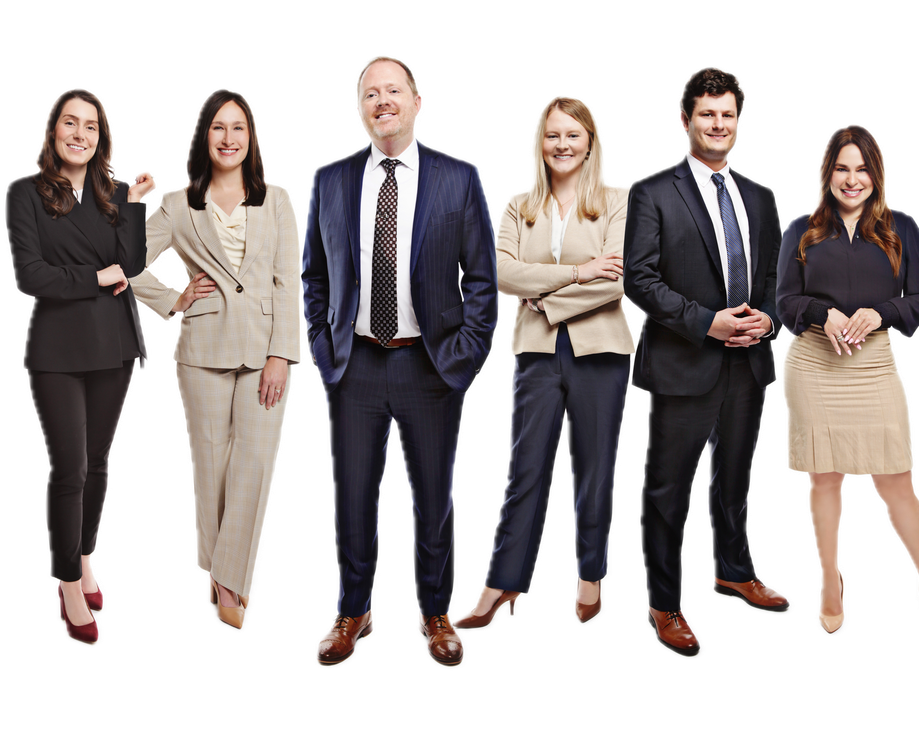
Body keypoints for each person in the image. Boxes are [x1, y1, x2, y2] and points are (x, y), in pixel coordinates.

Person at [302, 56, 497, 668]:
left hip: (430, 366)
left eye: (393, 91)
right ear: (359, 108)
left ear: (418, 102)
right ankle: (353, 609)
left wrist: (461, 360)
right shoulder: (329, 180)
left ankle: (436, 612)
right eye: (369, 93)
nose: (381, 101)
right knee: (353, 494)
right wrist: (323, 347)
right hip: (353, 366)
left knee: (434, 497)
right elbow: (314, 277)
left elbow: (483, 284)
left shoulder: (458, 178)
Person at [623, 66, 790, 659]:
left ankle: (733, 571)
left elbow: (777, 275)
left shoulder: (760, 196)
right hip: (683, 362)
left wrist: (769, 318)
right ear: (686, 120)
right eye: (707, 114)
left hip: (749, 363)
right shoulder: (653, 192)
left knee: (736, 477)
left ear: (738, 122)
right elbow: (640, 280)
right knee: (668, 490)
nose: (718, 125)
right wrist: (706, 322)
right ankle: (665, 603)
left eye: (727, 115)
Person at [454, 97, 631, 631]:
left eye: (572, 135)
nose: (562, 145)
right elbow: (502, 274)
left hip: (601, 352)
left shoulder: (618, 203)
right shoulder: (517, 207)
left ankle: (590, 573)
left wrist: (547, 295)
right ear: (539, 143)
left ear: (590, 141)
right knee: (525, 468)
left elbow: (620, 278)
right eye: (553, 135)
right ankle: (501, 581)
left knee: (595, 468)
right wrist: (580, 274)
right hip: (535, 353)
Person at [129, 89, 300, 632]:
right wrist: (172, 298)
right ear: (205, 137)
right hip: (202, 352)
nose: (229, 139)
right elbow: (128, 261)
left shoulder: (277, 199)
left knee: (254, 464)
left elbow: (288, 283)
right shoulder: (179, 205)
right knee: (211, 464)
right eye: (218, 129)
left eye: (239, 129)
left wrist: (282, 355)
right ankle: (225, 573)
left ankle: (227, 577)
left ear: (251, 140)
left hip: (264, 353)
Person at [776, 124, 919, 643]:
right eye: (842, 169)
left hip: (873, 367)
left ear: (877, 174)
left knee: (896, 480)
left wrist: (879, 313)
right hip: (814, 364)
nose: (852, 180)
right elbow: (784, 301)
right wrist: (821, 315)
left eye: (862, 169)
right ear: (828, 174)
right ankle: (830, 578)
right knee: (823, 477)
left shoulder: (902, 229)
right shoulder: (801, 229)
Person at [6, 88, 156, 647]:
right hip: (57, 352)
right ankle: (67, 580)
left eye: (91, 127)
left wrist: (137, 205)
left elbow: (134, 263)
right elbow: (31, 276)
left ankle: (85, 556)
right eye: (70, 124)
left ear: (102, 137)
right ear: (53, 131)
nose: (80, 134)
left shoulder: (114, 193)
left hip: (115, 344)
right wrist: (95, 278)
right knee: (67, 468)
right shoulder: (23, 194)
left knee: (98, 462)